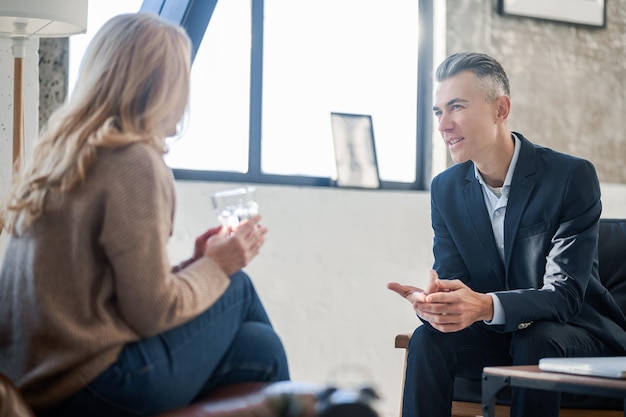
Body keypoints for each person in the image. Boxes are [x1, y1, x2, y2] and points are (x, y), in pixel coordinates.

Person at [0, 13, 291, 417]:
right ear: (158, 88)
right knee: (237, 287)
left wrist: (196, 264)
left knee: (260, 347)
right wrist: (218, 266)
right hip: (93, 385)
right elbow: (152, 313)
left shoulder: (59, 155)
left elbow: (111, 299)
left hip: (36, 381)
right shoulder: (133, 160)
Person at [387, 51, 626, 417]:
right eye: (438, 112)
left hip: (575, 332)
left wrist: (485, 305)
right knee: (428, 339)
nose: (443, 125)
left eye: (456, 107)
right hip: (500, 336)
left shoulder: (569, 177)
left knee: (536, 338)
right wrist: (437, 305)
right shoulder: (446, 189)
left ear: (501, 109)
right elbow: (456, 282)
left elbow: (564, 296)